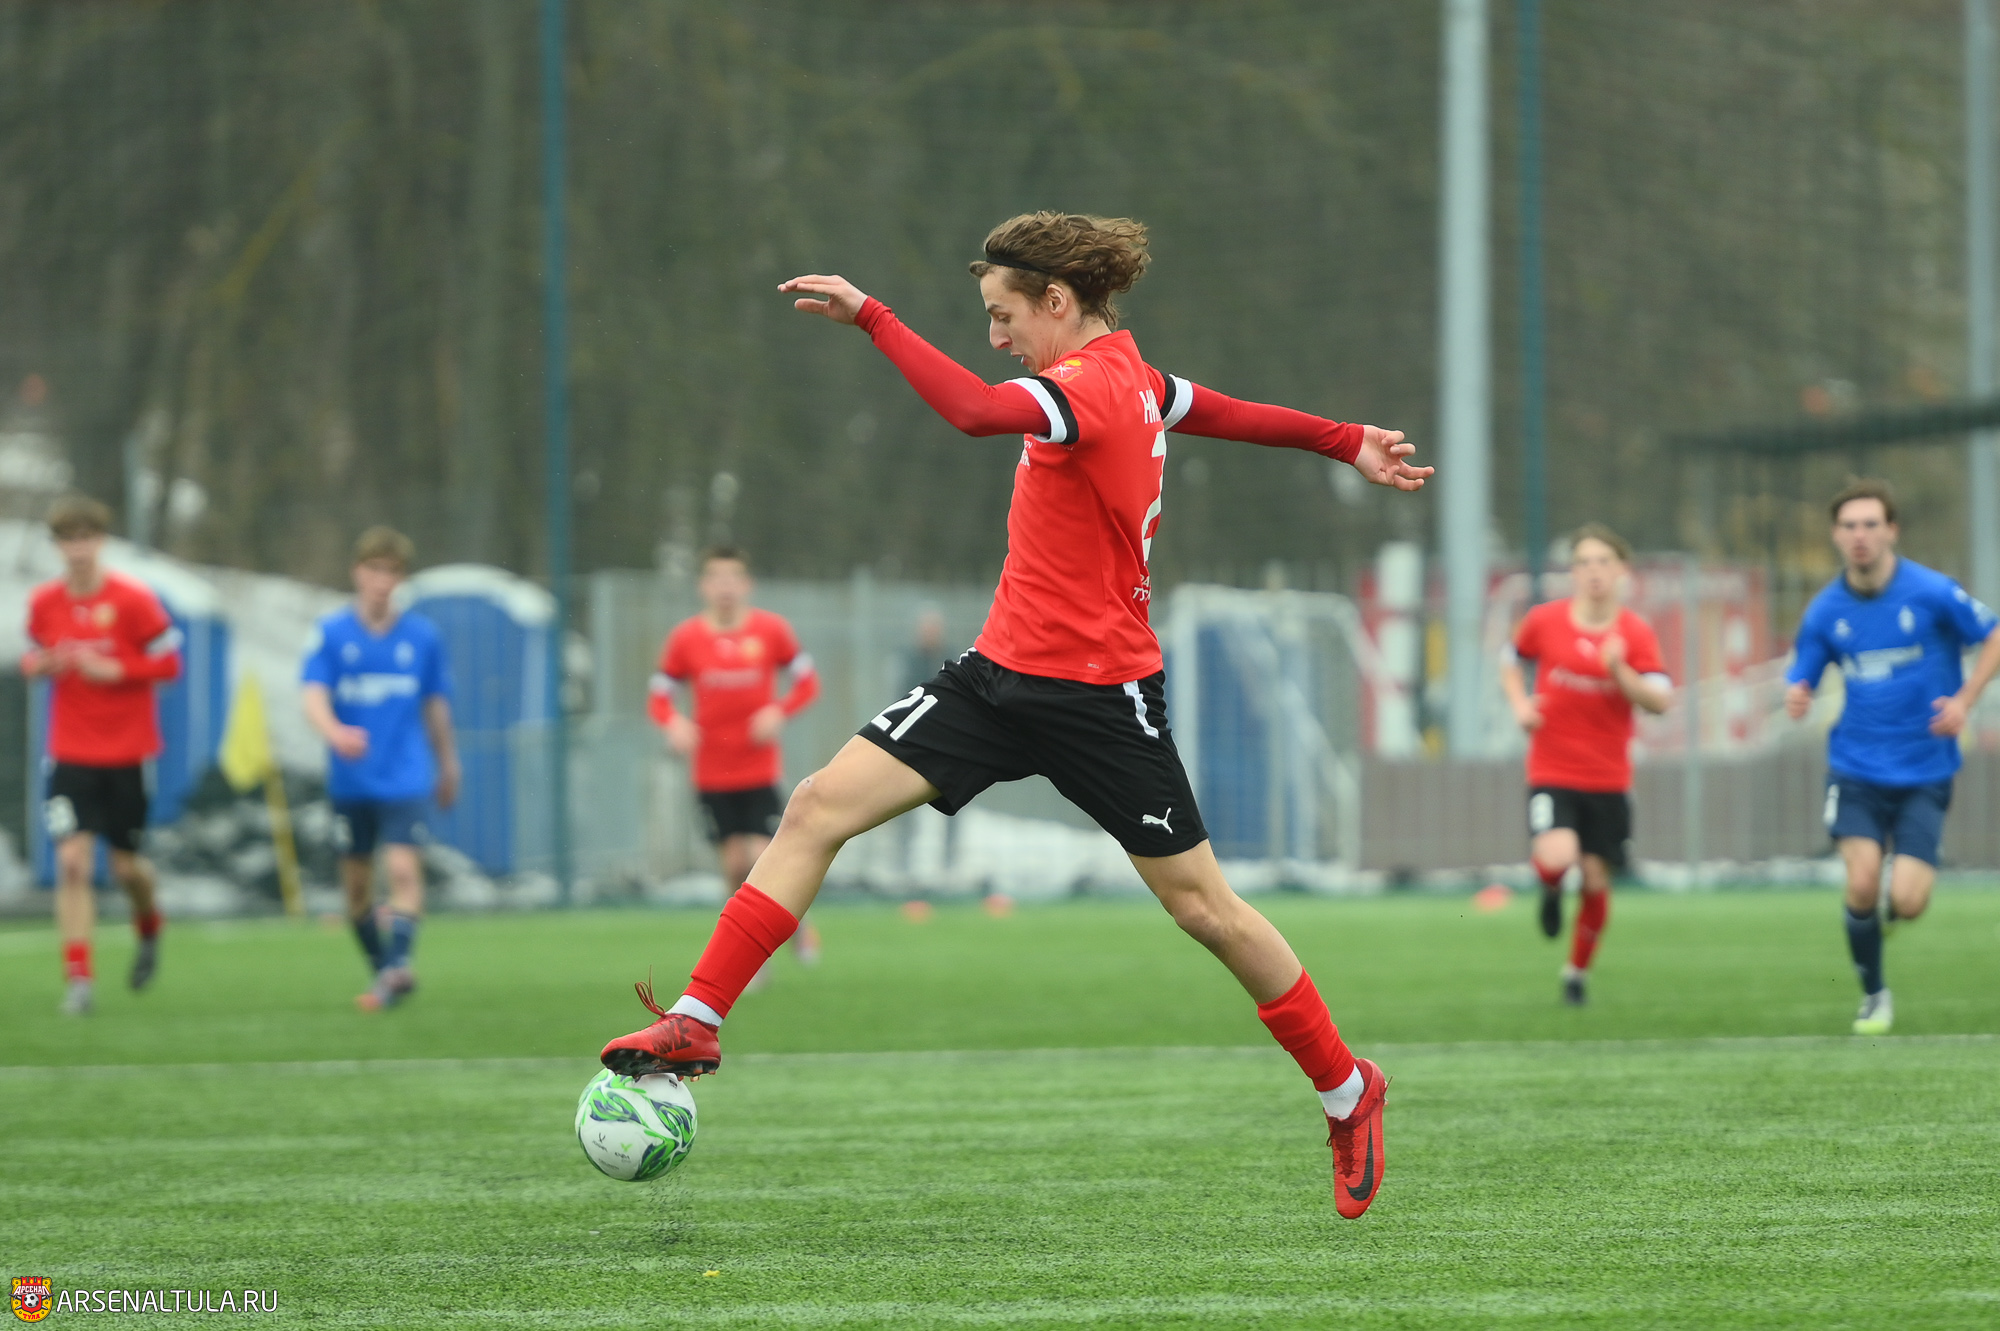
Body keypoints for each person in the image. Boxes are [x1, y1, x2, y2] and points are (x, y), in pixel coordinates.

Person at [599, 211, 1431, 1218]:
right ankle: (697, 1018)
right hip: (994, 681)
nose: (995, 336)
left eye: (1004, 316)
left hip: (1101, 698)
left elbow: (971, 411)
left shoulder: (1088, 387)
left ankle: (1348, 1089)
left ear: (1058, 301)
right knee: (816, 805)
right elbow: (1225, 412)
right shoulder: (1134, 379)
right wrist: (1345, 440)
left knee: (1204, 910)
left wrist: (874, 317)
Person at [1784, 479, 2000, 1036]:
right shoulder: (1825, 610)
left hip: (1926, 769)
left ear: (1891, 530)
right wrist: (1798, 693)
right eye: (1849, 526)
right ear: (1836, 535)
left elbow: (1994, 633)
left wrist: (1965, 701)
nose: (1860, 535)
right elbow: (1804, 671)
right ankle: (1874, 994)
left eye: (1870, 524)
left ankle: (1891, 907)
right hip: (1854, 768)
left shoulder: (1931, 591)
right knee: (1861, 882)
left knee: (1907, 901)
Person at [1500, 524, 1671, 1007]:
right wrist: (1520, 705)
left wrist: (1619, 669)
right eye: (1584, 562)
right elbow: (1510, 660)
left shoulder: (1635, 633)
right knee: (1557, 856)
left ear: (1622, 571)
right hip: (1552, 771)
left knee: (1596, 880)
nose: (1593, 571)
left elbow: (1660, 701)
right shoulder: (1544, 620)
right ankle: (1552, 889)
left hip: (1608, 779)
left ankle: (1575, 974)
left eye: (1603, 562)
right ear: (1572, 572)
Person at [25, 494, 182, 1015]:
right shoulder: (45, 603)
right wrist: (40, 665)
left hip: (128, 755)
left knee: (125, 869)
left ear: (102, 542)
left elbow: (170, 664)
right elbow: (32, 655)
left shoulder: (134, 601)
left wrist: (116, 670)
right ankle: (79, 979)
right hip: (69, 753)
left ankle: (149, 923)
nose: (77, 550)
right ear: (57, 546)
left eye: (86, 538)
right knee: (72, 862)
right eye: (67, 540)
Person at [301, 527, 461, 1012]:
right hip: (351, 782)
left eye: (392, 571)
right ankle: (385, 971)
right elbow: (312, 695)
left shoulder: (422, 637)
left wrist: (448, 763)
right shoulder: (331, 633)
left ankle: (397, 966)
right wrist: (335, 732)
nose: (383, 581)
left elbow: (435, 706)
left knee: (403, 870)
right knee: (356, 893)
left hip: (405, 777)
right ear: (357, 573)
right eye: (374, 569)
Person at [650, 546, 822, 974]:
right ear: (703, 586)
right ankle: (750, 956)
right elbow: (659, 696)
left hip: (759, 770)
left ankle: (796, 924)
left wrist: (778, 710)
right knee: (733, 866)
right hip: (711, 773)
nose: (725, 587)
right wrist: (673, 722)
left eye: (733, 578)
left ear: (747, 585)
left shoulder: (771, 631)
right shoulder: (686, 639)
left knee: (764, 857)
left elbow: (806, 682)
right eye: (717, 578)